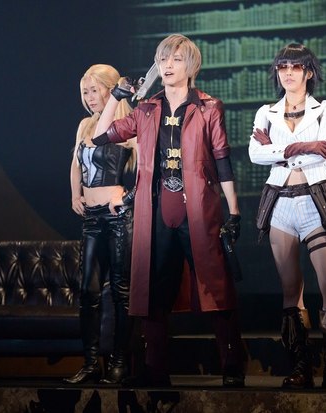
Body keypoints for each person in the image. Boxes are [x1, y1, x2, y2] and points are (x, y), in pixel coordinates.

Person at [91, 33, 246, 388]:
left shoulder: (208, 107)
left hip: (199, 210)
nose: (168, 65)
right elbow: (100, 136)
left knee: (216, 286)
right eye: (163, 59)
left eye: (176, 59)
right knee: (154, 291)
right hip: (158, 210)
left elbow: (222, 159)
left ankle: (232, 366)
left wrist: (234, 211)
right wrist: (116, 96)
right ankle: (155, 369)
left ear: (191, 65)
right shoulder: (146, 109)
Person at [248, 43, 326, 389]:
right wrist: (300, 147)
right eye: (283, 67)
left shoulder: (324, 110)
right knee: (290, 289)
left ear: (308, 72)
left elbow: (325, 151)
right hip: (280, 202)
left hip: (313, 200)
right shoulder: (266, 112)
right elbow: (254, 154)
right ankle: (301, 366)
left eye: (295, 67)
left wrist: (277, 150)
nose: (288, 73)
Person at [65, 64, 137, 385]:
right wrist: (75, 194)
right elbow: (75, 163)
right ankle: (91, 363)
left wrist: (129, 197)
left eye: (95, 90)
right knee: (88, 291)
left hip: (118, 216)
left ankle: (120, 363)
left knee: (121, 292)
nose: (90, 97)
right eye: (85, 92)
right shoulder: (85, 125)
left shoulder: (128, 124)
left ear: (111, 89)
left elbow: (146, 168)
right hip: (92, 217)